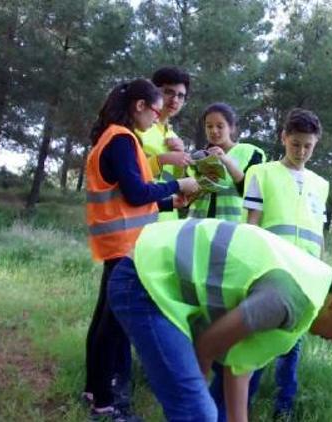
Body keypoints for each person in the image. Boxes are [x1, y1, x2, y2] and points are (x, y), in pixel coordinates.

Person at [108, 218, 332, 422]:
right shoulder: (287, 300)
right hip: (142, 282)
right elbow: (206, 347)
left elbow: (239, 367)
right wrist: (195, 394)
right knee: (199, 413)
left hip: (151, 279)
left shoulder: (310, 291)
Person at [83, 78, 201, 420]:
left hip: (116, 241)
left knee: (104, 322)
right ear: (139, 107)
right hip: (124, 245)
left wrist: (168, 200)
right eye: (155, 110)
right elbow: (136, 193)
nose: (157, 118)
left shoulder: (111, 136)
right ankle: (106, 404)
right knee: (112, 325)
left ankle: (95, 390)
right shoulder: (122, 139)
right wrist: (179, 182)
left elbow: (130, 197)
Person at [221, 108, 326, 420]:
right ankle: (242, 406)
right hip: (271, 273)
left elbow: (319, 233)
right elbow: (252, 225)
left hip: (305, 275)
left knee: (292, 343)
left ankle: (284, 407)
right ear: (284, 138)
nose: (302, 151)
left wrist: (321, 273)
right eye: (296, 144)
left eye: (308, 145)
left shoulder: (320, 184)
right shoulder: (261, 174)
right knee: (255, 342)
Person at [135, 66, 194, 221]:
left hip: (168, 218)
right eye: (169, 92)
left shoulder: (174, 137)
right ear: (154, 92)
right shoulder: (136, 128)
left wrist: (183, 165)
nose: (175, 100)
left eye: (181, 96)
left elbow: (172, 182)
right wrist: (162, 159)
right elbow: (128, 175)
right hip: (138, 216)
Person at [190, 102, 266, 221]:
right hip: (197, 227)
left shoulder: (252, 153)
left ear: (231, 128)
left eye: (220, 126)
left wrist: (226, 160)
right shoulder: (197, 157)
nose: (214, 131)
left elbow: (251, 194)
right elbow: (185, 199)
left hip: (232, 228)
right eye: (209, 126)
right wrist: (201, 185)